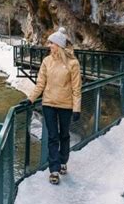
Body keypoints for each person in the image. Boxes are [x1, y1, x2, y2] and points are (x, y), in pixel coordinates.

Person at [20, 27, 82, 185]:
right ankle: (54, 170)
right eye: (49, 43)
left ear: (59, 45)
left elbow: (76, 88)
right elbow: (40, 84)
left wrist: (76, 108)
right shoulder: (47, 61)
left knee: (64, 135)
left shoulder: (73, 63)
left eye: (52, 43)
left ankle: (63, 161)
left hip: (66, 105)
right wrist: (31, 99)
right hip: (48, 104)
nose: (49, 46)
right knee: (53, 137)